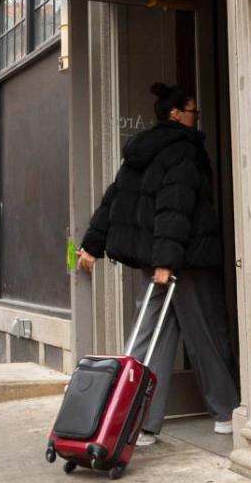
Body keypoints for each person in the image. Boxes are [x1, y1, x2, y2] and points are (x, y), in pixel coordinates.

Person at [76, 82, 240, 447]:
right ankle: (226, 411)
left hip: (160, 259)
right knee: (206, 333)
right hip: (185, 260)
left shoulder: (142, 150)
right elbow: (175, 206)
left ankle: (140, 422)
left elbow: (115, 197)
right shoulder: (184, 150)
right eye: (193, 111)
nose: (197, 118)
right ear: (176, 114)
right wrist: (166, 261)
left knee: (151, 338)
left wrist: (92, 245)